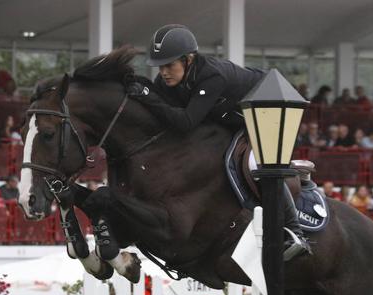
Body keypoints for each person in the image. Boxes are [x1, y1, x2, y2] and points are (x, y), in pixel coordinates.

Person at [126, 24, 309, 259]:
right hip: (233, 117)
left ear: (188, 59)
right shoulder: (169, 81)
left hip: (267, 107)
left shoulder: (211, 76)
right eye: (160, 67)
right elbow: (162, 110)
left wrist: (147, 95)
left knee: (257, 164)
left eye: (169, 65)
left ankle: (294, 232)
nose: (164, 72)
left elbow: (186, 122)